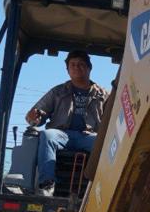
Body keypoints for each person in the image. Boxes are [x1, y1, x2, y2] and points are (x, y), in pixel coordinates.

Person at [26, 50, 107, 196]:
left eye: (81, 64)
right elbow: (36, 116)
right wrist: (34, 117)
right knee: (47, 135)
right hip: (62, 134)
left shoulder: (102, 95)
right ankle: (47, 184)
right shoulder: (57, 92)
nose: (76, 67)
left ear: (89, 68)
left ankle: (102, 187)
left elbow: (114, 119)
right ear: (67, 70)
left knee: (106, 144)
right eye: (73, 65)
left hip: (89, 136)